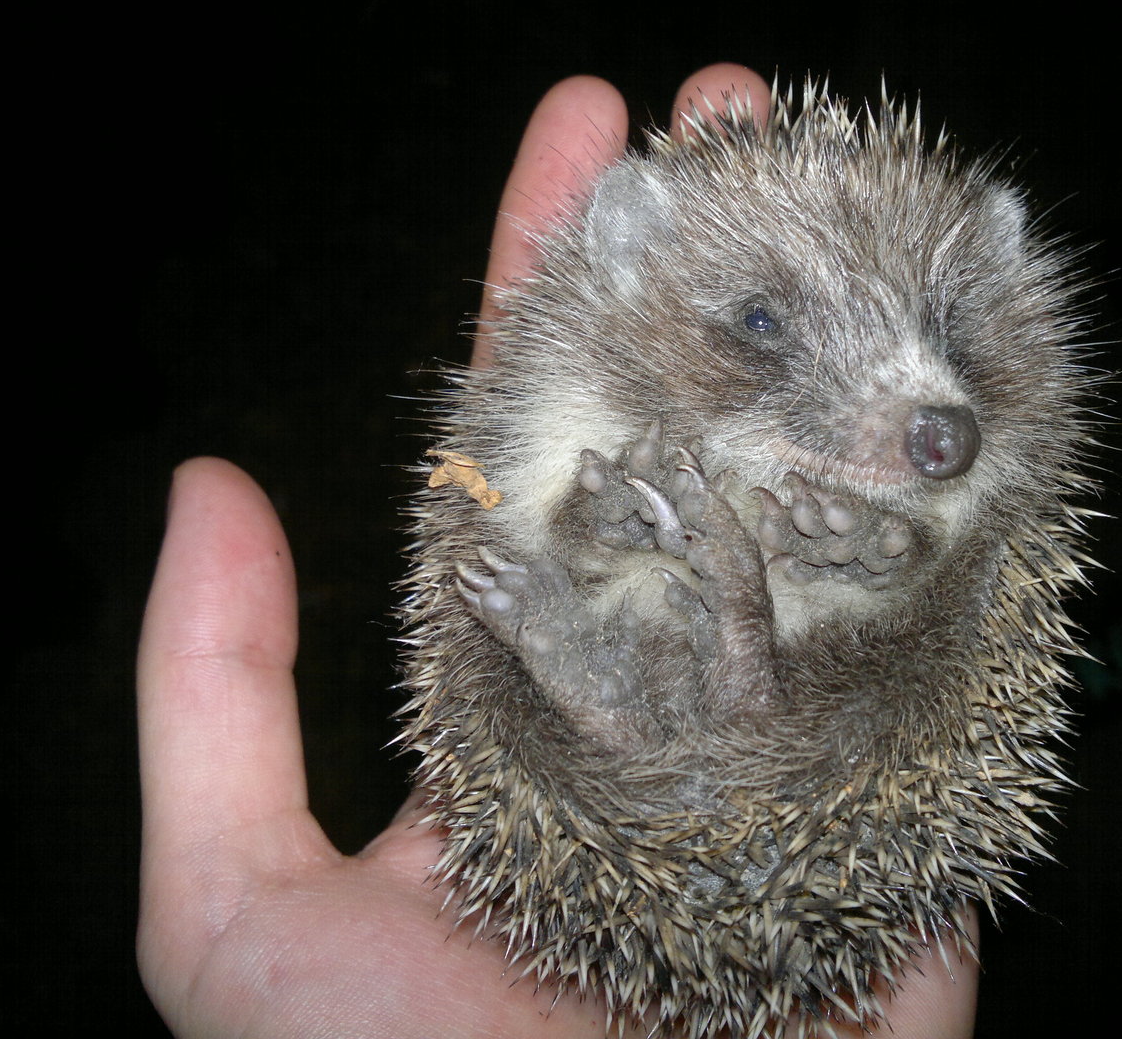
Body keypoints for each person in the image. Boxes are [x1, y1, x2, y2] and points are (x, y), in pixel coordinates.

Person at [136, 65, 980, 1038]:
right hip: (653, 736)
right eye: (761, 322)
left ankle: (692, 659)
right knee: (585, 561)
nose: (928, 405)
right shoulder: (585, 377)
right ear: (628, 260)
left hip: (805, 723)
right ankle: (697, 656)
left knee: (874, 643)